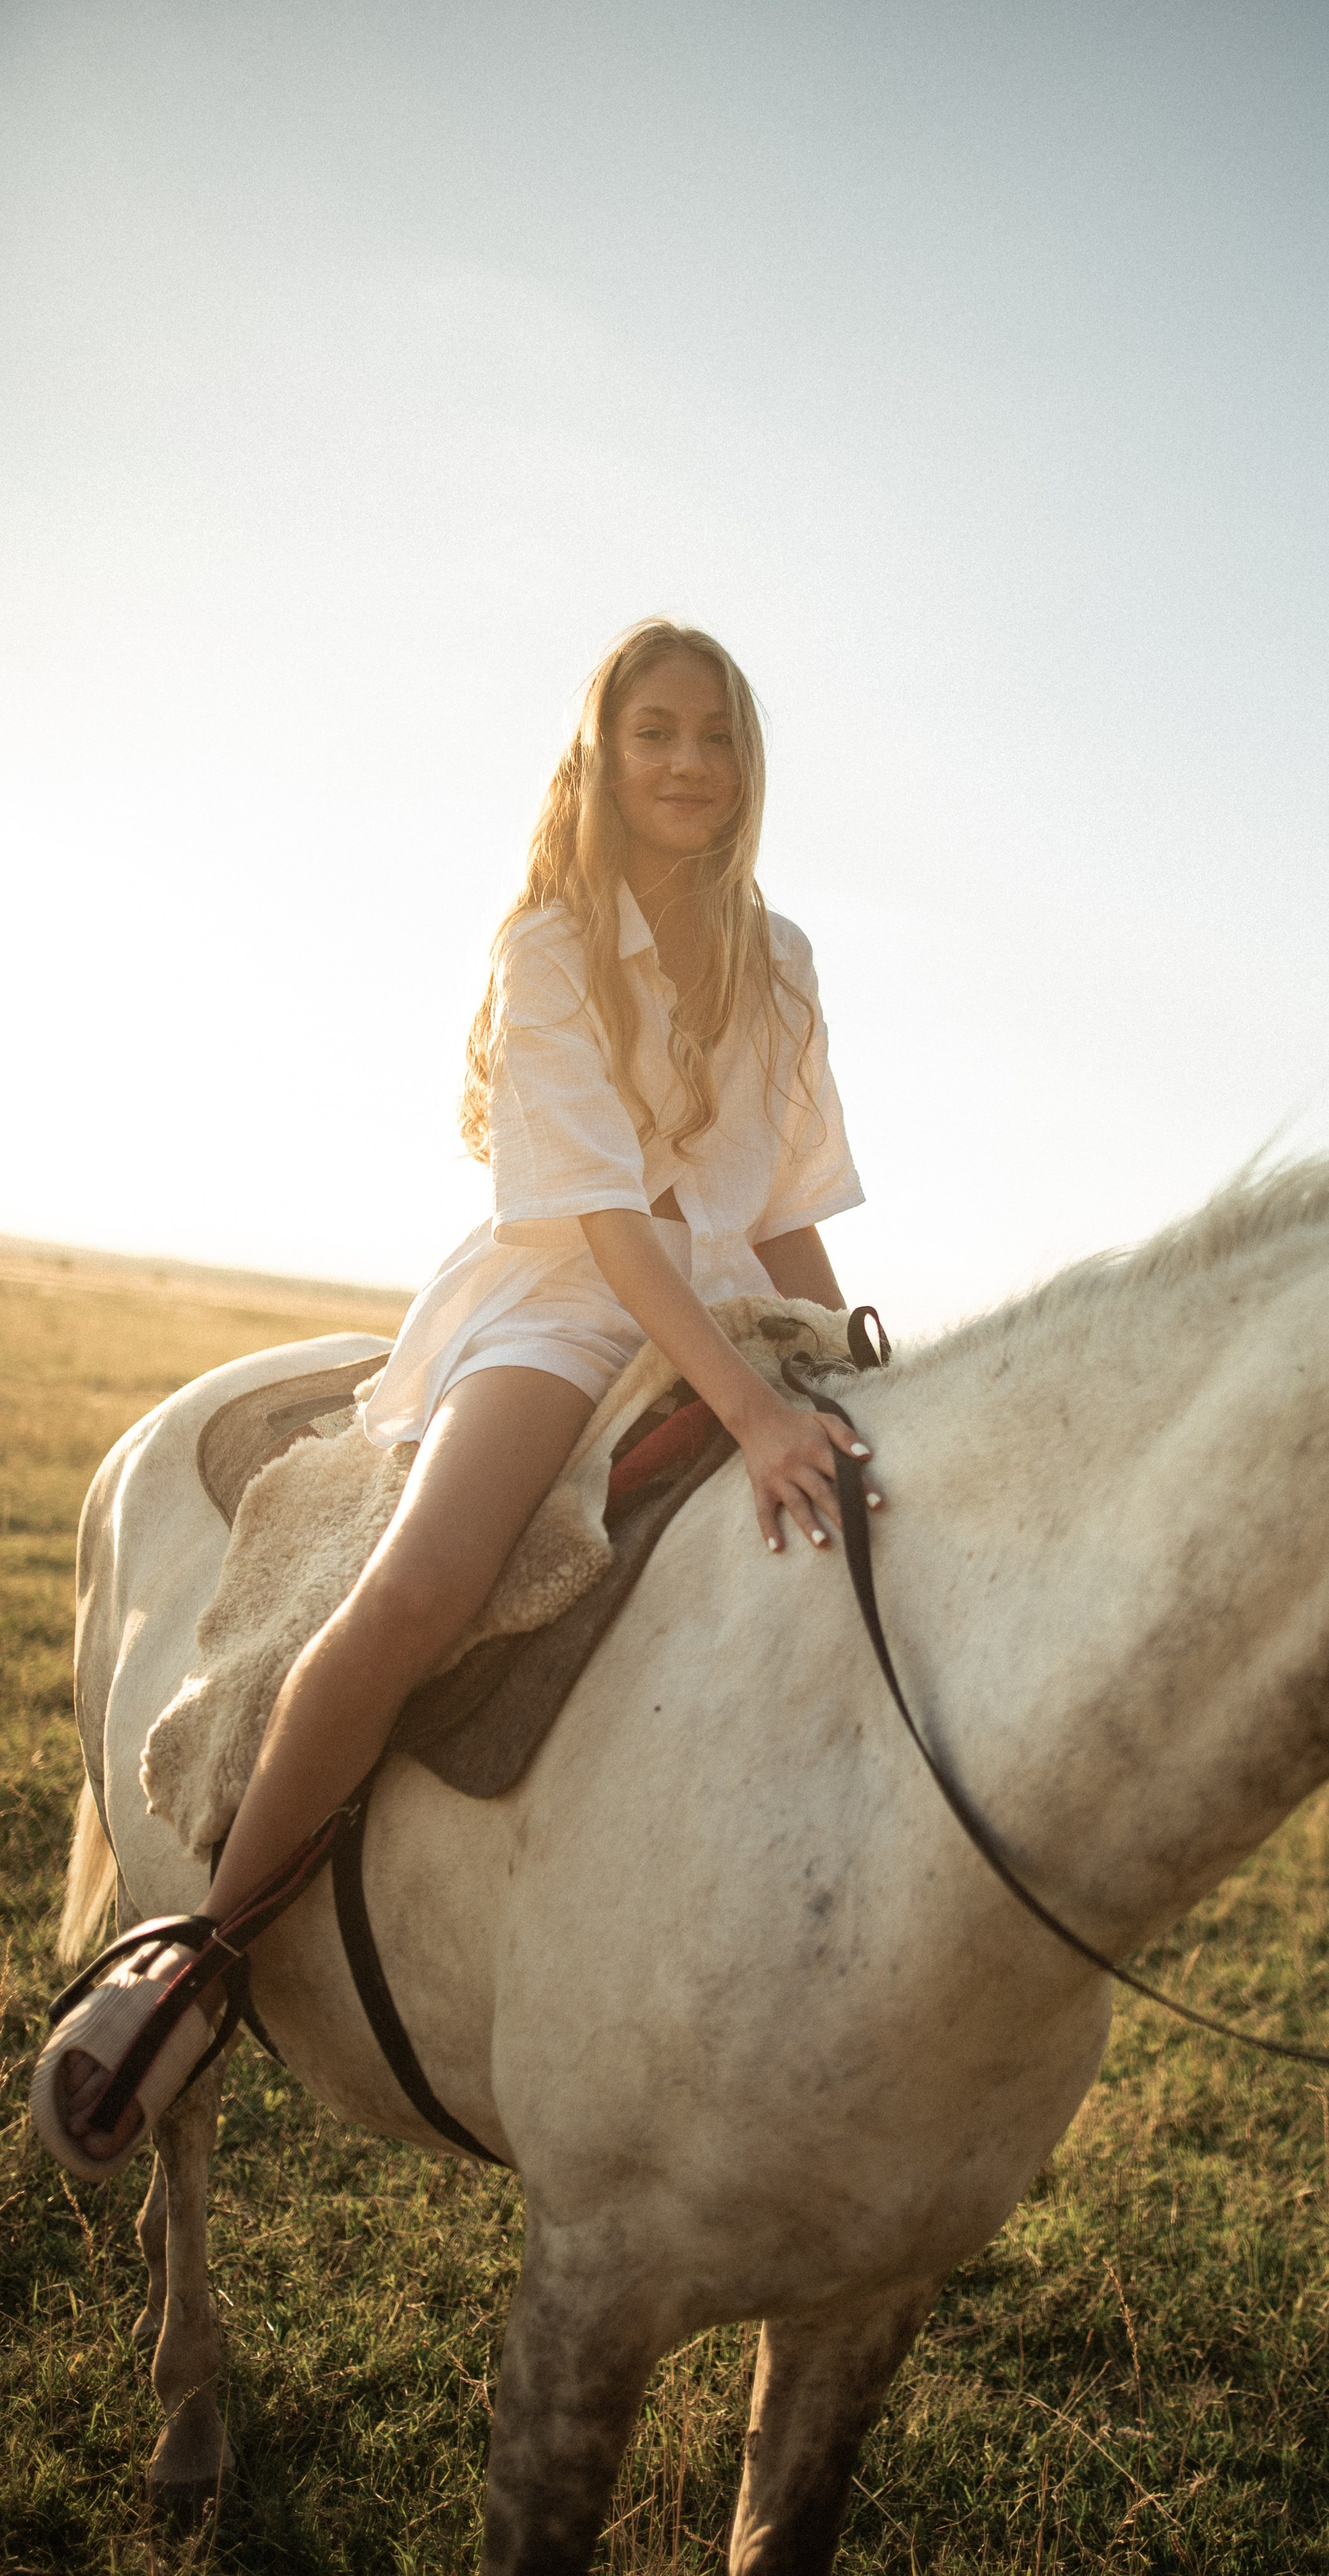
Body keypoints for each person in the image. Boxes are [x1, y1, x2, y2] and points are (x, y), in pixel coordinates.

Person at [37, 618, 879, 2173]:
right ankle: (199, 1961)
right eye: (655, 732)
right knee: (424, 1580)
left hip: (737, 1305)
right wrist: (754, 1414)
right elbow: (608, 1218)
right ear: (602, 756)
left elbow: (782, 1208)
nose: (688, 761)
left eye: (715, 735)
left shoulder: (781, 957)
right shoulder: (551, 940)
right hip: (571, 1300)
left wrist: (844, 1362)